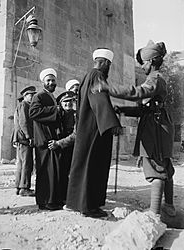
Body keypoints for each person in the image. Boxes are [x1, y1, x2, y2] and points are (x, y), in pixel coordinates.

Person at [93, 41, 176, 217]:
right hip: (157, 125)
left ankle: (154, 213)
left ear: (152, 61)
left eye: (144, 63)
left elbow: (139, 92)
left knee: (156, 169)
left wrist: (109, 88)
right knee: (165, 167)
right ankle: (169, 207)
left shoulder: (155, 78)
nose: (142, 66)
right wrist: (123, 109)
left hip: (156, 129)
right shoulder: (155, 78)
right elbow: (143, 109)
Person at [64, 48, 122, 218]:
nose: (108, 68)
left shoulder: (87, 76)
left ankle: (76, 203)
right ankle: (89, 207)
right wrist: (113, 124)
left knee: (83, 166)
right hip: (95, 130)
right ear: (104, 63)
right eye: (109, 65)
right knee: (94, 166)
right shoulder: (97, 76)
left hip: (87, 129)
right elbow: (99, 101)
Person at [29, 68, 63, 211]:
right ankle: (44, 202)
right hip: (43, 140)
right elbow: (33, 112)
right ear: (43, 82)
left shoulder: (50, 96)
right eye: (48, 81)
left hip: (51, 138)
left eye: (53, 81)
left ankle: (52, 200)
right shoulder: (39, 96)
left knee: (52, 171)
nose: (51, 83)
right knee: (44, 172)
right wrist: (54, 110)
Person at [53, 91, 76, 204]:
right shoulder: (58, 115)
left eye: (70, 101)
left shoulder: (76, 115)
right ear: (61, 104)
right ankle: (62, 197)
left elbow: (75, 135)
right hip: (61, 149)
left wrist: (59, 143)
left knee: (74, 173)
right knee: (62, 173)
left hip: (73, 147)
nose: (68, 104)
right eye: (65, 102)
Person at [13, 86, 36, 196]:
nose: (32, 97)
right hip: (24, 139)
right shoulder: (25, 105)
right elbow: (24, 122)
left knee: (21, 163)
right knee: (27, 163)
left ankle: (18, 186)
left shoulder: (21, 105)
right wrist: (29, 136)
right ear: (25, 96)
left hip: (21, 138)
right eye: (30, 95)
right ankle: (24, 188)